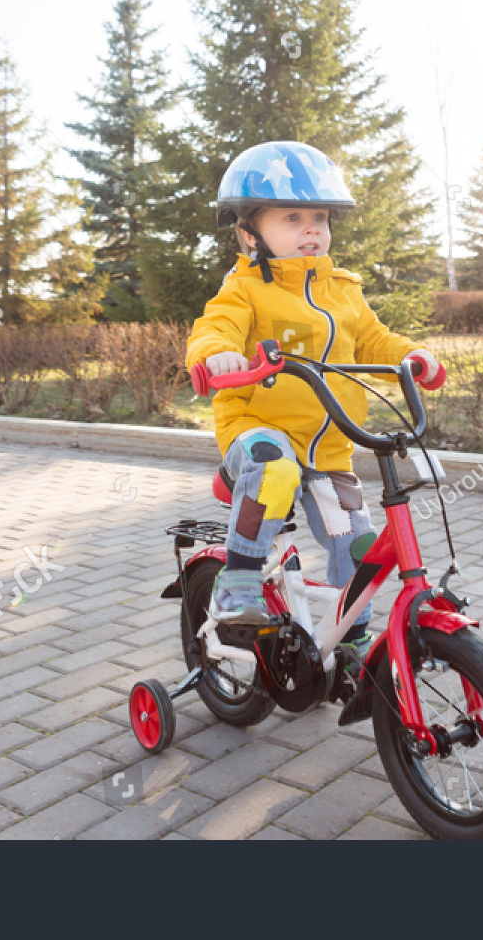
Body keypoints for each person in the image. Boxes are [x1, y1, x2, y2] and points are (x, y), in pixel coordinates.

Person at [184, 140, 440, 669]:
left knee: (359, 546)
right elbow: (214, 328)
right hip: (259, 431)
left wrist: (412, 355)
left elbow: (374, 339)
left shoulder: (343, 290)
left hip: (329, 448)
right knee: (273, 468)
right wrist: (218, 356)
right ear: (248, 231)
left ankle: (348, 641)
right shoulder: (245, 289)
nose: (311, 228)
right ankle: (237, 589)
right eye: (293, 216)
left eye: (319, 217)